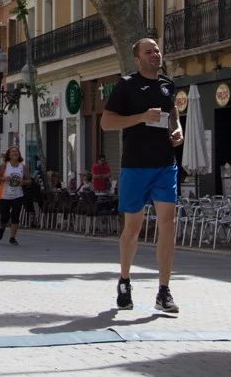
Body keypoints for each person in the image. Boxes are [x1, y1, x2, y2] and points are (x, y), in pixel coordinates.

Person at [101, 38, 184, 314]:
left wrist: (177, 129)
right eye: (149, 52)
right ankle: (124, 281)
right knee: (133, 229)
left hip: (164, 163)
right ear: (137, 59)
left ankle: (164, 290)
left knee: (168, 222)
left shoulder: (168, 84)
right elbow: (106, 121)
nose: (155, 54)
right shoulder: (126, 85)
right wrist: (140, 117)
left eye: (158, 50)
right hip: (135, 165)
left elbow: (172, 112)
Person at [0, 145, 31, 245]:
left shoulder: (23, 167)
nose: (14, 153)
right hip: (4, 195)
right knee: (5, 216)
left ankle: (12, 237)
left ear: (19, 154)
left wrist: (22, 182)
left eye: (16, 151)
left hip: (17, 195)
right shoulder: (4, 166)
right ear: (9, 155)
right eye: (12, 152)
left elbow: (29, 181)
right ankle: (3, 227)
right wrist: (4, 179)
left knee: (15, 216)